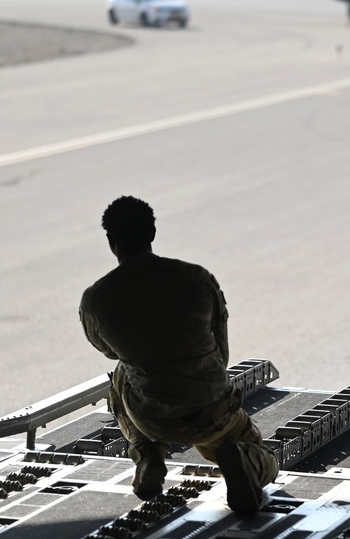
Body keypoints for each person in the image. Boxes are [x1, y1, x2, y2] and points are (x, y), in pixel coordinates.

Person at [79, 196, 278, 513]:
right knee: (258, 451)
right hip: (212, 411)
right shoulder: (196, 279)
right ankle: (242, 459)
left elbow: (106, 350)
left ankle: (146, 452)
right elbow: (220, 352)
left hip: (151, 417)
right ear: (153, 232)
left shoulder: (96, 298)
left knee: (120, 373)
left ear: (110, 241)